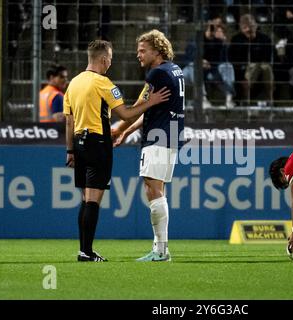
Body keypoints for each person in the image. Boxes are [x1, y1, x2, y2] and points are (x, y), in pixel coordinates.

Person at [64, 40, 170, 262]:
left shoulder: (73, 84)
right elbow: (126, 114)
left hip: (78, 143)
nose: (110, 63)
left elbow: (69, 121)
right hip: (97, 143)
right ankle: (86, 252)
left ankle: (84, 249)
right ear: (103, 60)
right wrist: (152, 102)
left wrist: (70, 151)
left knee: (85, 199)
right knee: (93, 200)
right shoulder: (103, 83)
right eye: (110, 59)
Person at [112, 30, 184, 262]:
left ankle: (161, 251)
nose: (138, 55)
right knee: (157, 190)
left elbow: (138, 106)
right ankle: (159, 248)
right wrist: (126, 131)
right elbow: (150, 110)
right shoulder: (176, 70)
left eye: (143, 50)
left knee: (153, 191)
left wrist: (117, 129)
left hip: (158, 137)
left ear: (157, 50)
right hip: (170, 135)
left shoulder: (157, 74)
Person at [183, 16, 235, 108]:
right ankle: (203, 99)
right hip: (190, 72)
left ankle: (229, 98)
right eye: (215, 28)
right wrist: (200, 61)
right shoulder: (197, 39)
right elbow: (188, 59)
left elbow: (224, 61)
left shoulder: (219, 43)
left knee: (228, 66)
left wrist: (224, 44)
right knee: (194, 66)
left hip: (210, 72)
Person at [229, 14, 273, 106]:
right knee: (254, 67)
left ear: (256, 26)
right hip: (243, 72)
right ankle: (246, 98)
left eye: (251, 26)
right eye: (245, 27)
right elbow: (233, 61)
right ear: (241, 28)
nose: (249, 29)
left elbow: (268, 58)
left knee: (265, 67)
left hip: (262, 70)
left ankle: (270, 99)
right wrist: (241, 78)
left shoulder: (265, 39)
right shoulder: (236, 40)